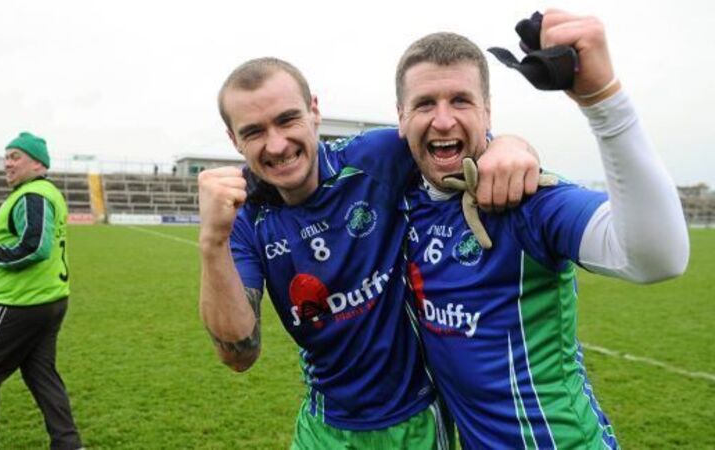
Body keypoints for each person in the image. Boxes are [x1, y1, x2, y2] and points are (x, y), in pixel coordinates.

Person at [198, 57, 540, 448]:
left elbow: (461, 139)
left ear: (313, 111)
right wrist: (212, 242)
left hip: (413, 422)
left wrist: (511, 143)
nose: (276, 144)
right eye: (254, 131)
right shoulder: (243, 218)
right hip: (322, 426)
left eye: (287, 119)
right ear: (234, 139)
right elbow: (239, 356)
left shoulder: (376, 157)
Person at [397, 10, 689, 449]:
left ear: (487, 112)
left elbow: (657, 258)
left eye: (460, 100)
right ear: (400, 117)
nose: (442, 120)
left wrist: (603, 101)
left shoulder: (528, 199)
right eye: (424, 104)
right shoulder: (398, 196)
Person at [0, 132, 82, 450]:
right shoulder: (42, 193)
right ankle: (69, 444)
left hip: (20, 304)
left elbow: (35, 247)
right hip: (48, 300)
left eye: (16, 156)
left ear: (38, 164)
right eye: (6, 157)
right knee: (41, 375)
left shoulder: (33, 195)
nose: (8, 163)